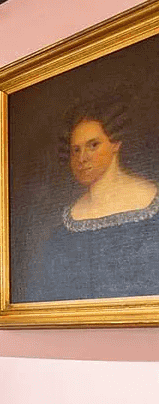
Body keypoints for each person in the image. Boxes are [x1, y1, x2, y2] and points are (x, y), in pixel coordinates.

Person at [26, 100, 159, 302]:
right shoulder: (63, 229)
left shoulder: (151, 204)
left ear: (115, 143)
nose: (82, 159)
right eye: (76, 150)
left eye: (93, 145)